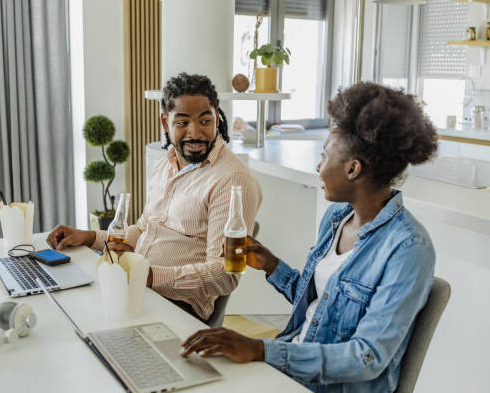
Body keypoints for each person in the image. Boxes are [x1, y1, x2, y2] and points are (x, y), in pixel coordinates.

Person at [181, 82, 438, 392]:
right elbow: (320, 305)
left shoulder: (408, 248)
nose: (318, 167)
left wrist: (261, 350)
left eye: (324, 156)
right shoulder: (337, 218)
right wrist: (272, 265)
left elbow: (366, 357)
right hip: (290, 370)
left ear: (353, 169)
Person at [47, 73, 262, 322]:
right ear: (165, 122)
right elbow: (143, 230)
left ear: (216, 117)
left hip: (178, 307)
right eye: (182, 123)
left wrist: (146, 276)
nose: (196, 133)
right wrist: (90, 237)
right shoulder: (165, 165)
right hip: (137, 289)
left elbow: (224, 275)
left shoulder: (231, 180)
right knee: (61, 307)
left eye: (205, 121)